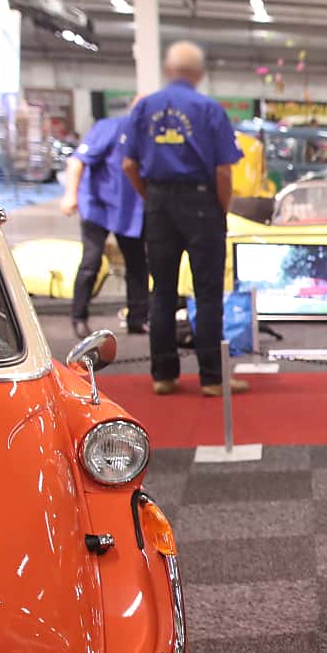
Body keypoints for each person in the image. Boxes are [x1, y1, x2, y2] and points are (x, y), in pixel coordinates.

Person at [123, 41, 245, 397]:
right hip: (201, 202)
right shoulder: (208, 108)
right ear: (200, 73)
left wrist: (152, 198)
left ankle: (163, 376)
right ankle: (212, 378)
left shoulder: (144, 106)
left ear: (167, 68)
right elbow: (224, 171)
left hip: (158, 203)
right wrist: (220, 209)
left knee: (161, 291)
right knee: (207, 293)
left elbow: (129, 164)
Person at [61, 111, 147, 338]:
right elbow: (77, 161)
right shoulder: (109, 127)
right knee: (91, 262)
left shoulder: (153, 135)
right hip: (98, 206)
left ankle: (138, 318)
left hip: (129, 209)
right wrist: (70, 195)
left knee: (137, 264)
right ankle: (78, 317)